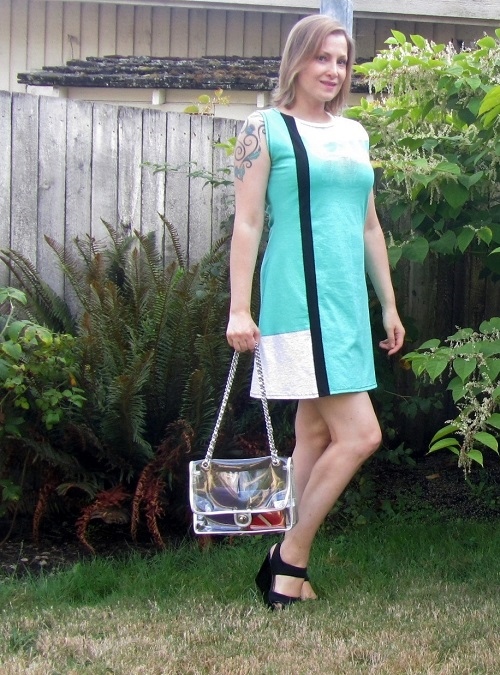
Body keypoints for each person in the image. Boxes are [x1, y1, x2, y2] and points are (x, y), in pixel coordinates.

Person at [226, 14, 405, 609]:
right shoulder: (264, 128)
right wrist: (239, 309)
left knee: (316, 432)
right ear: (297, 60)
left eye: (342, 61)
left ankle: (282, 560)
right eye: (322, 57)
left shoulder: (354, 133)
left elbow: (369, 225)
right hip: (299, 301)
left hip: (346, 304)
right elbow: (248, 222)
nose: (334, 70)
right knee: (362, 434)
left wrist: (388, 304)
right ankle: (289, 561)